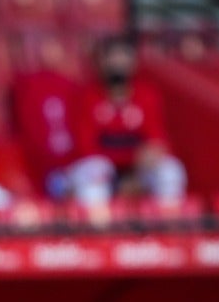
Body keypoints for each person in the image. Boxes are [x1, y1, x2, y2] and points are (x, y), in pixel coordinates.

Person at [76, 35, 186, 204]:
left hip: (138, 170)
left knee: (170, 170)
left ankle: (167, 226)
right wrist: (120, 181)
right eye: (112, 57)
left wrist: (138, 169)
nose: (117, 63)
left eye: (123, 56)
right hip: (106, 171)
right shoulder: (87, 97)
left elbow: (157, 139)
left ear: (133, 62)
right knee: (94, 173)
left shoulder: (147, 95)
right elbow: (87, 149)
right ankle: (100, 227)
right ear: (100, 63)